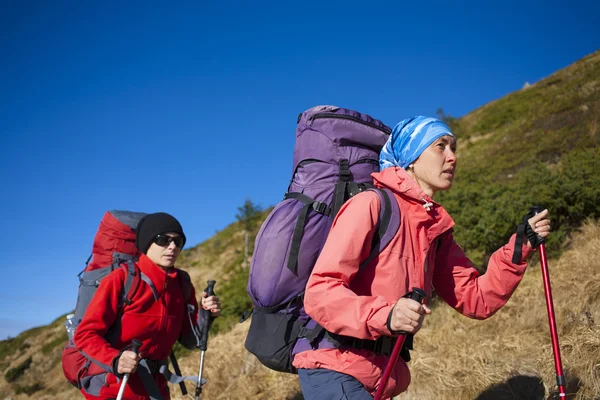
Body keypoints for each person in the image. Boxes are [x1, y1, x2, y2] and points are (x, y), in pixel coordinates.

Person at [292, 116, 552, 399]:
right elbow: (319, 293)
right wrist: (386, 314)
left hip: (381, 373)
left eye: (454, 148)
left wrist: (520, 245)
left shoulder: (434, 232)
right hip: (335, 367)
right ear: (412, 158)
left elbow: (477, 299)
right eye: (441, 146)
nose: (452, 157)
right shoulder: (371, 205)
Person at [74, 212, 221, 400]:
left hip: (156, 389)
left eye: (178, 241)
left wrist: (206, 315)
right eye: (163, 240)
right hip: (114, 387)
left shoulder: (182, 284)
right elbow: (85, 334)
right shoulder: (121, 279)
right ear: (146, 243)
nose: (172, 247)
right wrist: (115, 359)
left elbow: (191, 340)